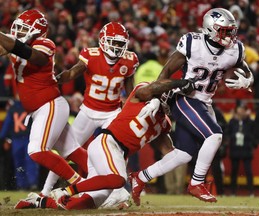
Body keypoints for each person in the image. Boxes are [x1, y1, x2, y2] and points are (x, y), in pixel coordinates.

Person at [129, 7, 254, 204]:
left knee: (183, 154)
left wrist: (248, 80)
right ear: (210, 28)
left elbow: (246, 70)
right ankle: (196, 183)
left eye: (231, 30)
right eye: (224, 30)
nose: (229, 35)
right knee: (214, 135)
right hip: (184, 98)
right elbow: (166, 71)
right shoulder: (193, 43)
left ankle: (140, 178)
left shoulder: (235, 50)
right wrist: (156, 95)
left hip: (205, 102)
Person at [14, 78, 196, 210]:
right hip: (107, 142)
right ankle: (66, 190)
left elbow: (168, 151)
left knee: (85, 204)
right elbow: (152, 87)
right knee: (118, 180)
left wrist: (189, 148)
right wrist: (179, 83)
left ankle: (40, 202)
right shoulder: (143, 93)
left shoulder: (164, 124)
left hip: (115, 155)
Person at [39, 21, 139, 207]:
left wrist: (130, 109)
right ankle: (45, 191)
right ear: (102, 40)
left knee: (116, 153)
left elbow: (130, 89)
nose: (116, 47)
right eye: (113, 42)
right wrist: (56, 79)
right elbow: (73, 73)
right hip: (88, 111)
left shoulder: (129, 60)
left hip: (112, 113)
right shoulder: (90, 55)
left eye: (120, 43)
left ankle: (117, 193)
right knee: (65, 152)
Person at [0, 9, 87, 187]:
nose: (19, 33)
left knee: (36, 150)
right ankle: (108, 183)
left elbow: (34, 56)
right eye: (18, 28)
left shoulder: (45, 43)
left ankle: (80, 184)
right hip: (41, 108)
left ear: (37, 31)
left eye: (24, 29)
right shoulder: (15, 43)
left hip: (49, 104)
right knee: (72, 151)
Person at [0, 97, 39, 190]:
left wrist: (3, 137)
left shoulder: (15, 108)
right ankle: (28, 184)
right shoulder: (30, 106)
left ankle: (25, 184)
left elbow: (6, 125)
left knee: (23, 162)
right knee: (25, 161)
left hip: (23, 139)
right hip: (22, 139)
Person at [227, 103, 255, 196]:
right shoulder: (232, 121)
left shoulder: (250, 122)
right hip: (235, 149)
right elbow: (227, 134)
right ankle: (233, 192)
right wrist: (233, 137)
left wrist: (247, 138)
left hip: (246, 149)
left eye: (242, 109)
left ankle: (251, 192)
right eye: (239, 109)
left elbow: (254, 134)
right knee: (234, 171)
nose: (240, 112)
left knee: (248, 171)